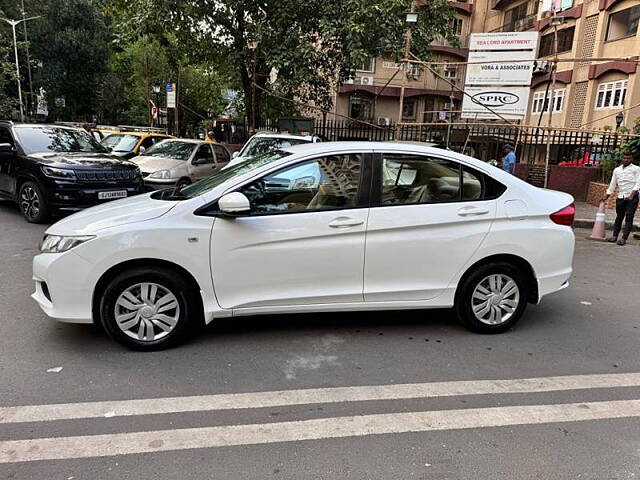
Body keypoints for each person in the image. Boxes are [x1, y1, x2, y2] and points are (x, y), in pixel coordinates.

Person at [602, 152, 640, 246]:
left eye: (628, 158)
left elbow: (638, 183)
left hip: (632, 197)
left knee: (629, 217)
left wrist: (632, 194)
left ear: (631, 159)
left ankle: (623, 238)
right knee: (619, 217)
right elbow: (613, 184)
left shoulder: (636, 169)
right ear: (622, 159)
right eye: (624, 158)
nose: (626, 160)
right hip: (621, 197)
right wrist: (607, 195)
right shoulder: (617, 170)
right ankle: (614, 236)